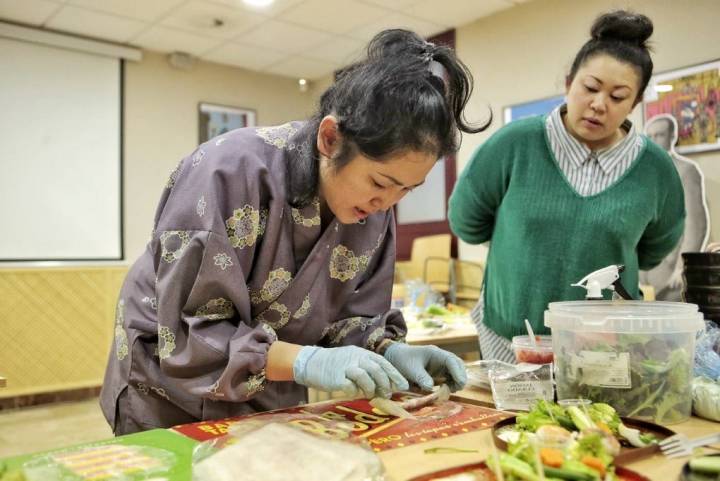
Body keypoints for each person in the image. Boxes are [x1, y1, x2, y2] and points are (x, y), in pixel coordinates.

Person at [101, 29, 487, 435]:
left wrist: (389, 348)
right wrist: (306, 362)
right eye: (379, 182)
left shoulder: (374, 210)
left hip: (270, 386)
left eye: (407, 189)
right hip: (170, 388)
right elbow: (189, 332)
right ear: (330, 138)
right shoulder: (228, 172)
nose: (388, 203)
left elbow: (349, 320)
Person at [448, 10, 686, 362]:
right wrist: (517, 244)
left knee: (600, 419)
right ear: (568, 82)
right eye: (589, 88)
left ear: (635, 104)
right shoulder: (515, 143)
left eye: (618, 97)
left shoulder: (655, 169)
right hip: (510, 334)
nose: (598, 104)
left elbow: (655, 248)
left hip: (607, 344)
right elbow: (466, 219)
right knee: (514, 419)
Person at [641, 114, 710, 300]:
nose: (654, 140)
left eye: (660, 135)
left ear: (672, 137)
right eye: (650, 136)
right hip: (640, 273)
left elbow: (696, 225)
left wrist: (682, 267)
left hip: (670, 272)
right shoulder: (642, 172)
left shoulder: (686, 171)